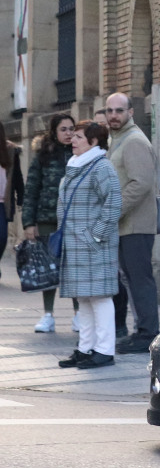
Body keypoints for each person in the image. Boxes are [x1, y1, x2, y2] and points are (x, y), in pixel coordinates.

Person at [56, 121, 122, 370]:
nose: (73, 140)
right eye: (73, 136)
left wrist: (95, 236)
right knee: (84, 298)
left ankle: (104, 351)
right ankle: (85, 348)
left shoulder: (101, 167)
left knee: (100, 298)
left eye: (79, 137)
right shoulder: (75, 165)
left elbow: (114, 203)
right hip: (75, 244)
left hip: (93, 245)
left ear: (93, 142)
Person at [104, 92, 160, 354]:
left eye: (119, 110)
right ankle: (142, 331)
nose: (113, 115)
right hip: (125, 225)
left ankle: (148, 333)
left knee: (140, 280)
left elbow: (140, 183)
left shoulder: (134, 140)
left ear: (130, 113)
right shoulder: (117, 139)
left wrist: (114, 211)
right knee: (132, 280)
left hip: (135, 225)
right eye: (110, 111)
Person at [22, 113, 77, 332]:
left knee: (73, 269)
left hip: (73, 221)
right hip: (47, 220)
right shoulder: (43, 156)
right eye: (63, 129)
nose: (68, 133)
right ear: (54, 132)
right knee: (47, 268)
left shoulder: (79, 154)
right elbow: (31, 190)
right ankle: (48, 315)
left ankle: (79, 314)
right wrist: (29, 222)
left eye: (71, 128)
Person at [95, 108, 129, 337]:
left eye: (103, 126)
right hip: (97, 223)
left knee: (116, 277)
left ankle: (118, 325)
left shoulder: (117, 148)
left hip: (114, 222)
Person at [1, 121, 23, 275]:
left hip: (2, 202)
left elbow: (17, 177)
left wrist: (21, 197)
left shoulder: (10, 151)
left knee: (2, 237)